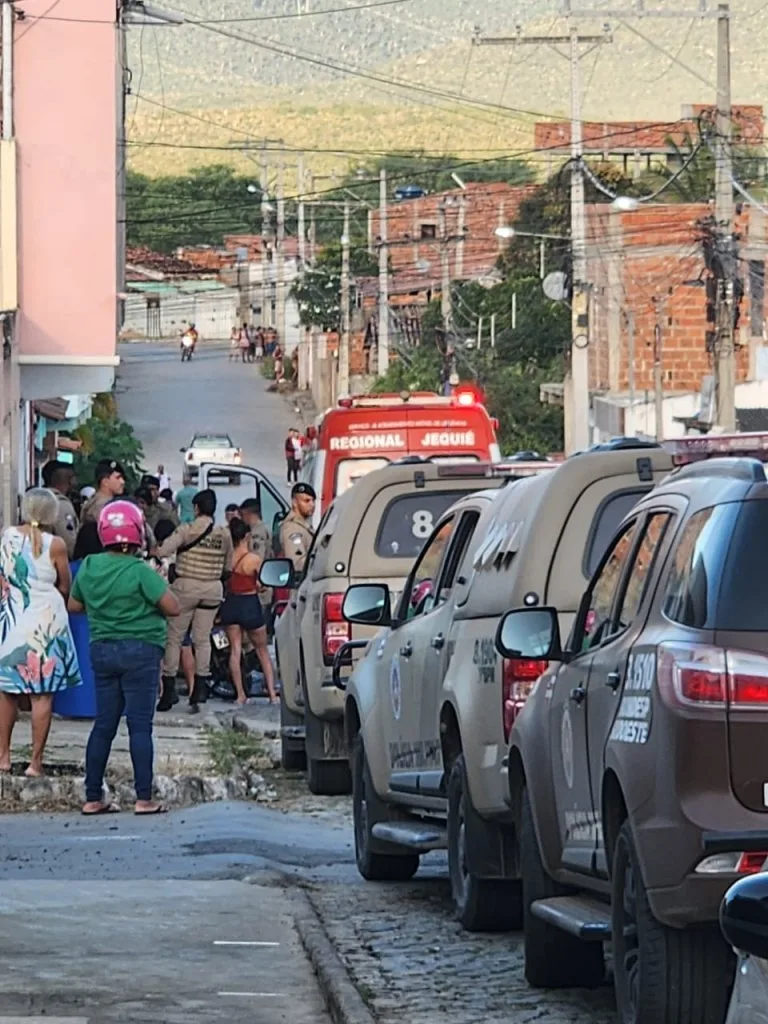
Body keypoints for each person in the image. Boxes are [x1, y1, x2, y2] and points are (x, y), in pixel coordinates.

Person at [69, 501, 180, 815]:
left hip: (102, 650)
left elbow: (74, 606)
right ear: (137, 535)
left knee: (103, 724)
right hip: (141, 652)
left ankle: (93, 797)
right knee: (140, 726)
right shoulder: (140, 571)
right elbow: (173, 607)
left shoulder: (90, 566)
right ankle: (144, 798)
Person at [0, 489, 82, 776]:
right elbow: (64, 585)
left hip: (14, 621)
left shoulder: (7, 536)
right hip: (47, 624)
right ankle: (35, 762)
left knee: (7, 690)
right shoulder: (55, 544)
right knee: (42, 696)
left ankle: (4, 757)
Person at [155, 488, 233, 713]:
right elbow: (228, 566)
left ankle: (168, 689)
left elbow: (164, 551)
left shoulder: (186, 529)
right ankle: (200, 686)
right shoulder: (223, 534)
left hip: (186, 587)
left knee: (174, 638)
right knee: (202, 639)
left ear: (196, 508)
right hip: (212, 590)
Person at [218, 518, 278, 705]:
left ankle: (240, 694)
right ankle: (272, 694)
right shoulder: (253, 559)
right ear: (246, 536)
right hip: (250, 604)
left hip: (231, 603)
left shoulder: (226, 558)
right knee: (262, 650)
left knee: (235, 650)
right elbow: (262, 582)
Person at [42, 460, 79, 560]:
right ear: (68, 480)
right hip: (55, 563)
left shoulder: (38, 500)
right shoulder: (61, 504)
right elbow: (69, 541)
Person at [279, 482, 316, 572]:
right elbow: (298, 564)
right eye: (306, 501)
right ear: (294, 503)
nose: (312, 505)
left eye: (313, 500)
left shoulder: (302, 525)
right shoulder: (292, 529)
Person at [80, 459, 126, 524]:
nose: (122, 482)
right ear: (105, 482)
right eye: (118, 478)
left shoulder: (94, 500)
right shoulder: (104, 506)